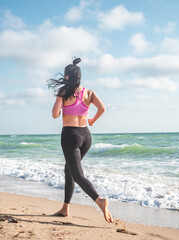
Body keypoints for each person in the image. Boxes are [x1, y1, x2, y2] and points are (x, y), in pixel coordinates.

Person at [47, 57, 113, 223]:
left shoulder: (63, 92)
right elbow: (102, 108)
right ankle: (65, 208)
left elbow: (55, 115)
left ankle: (100, 200)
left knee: (77, 174)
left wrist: (60, 100)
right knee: (68, 169)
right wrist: (92, 121)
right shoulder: (89, 93)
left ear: (67, 76)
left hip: (70, 136)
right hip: (86, 136)